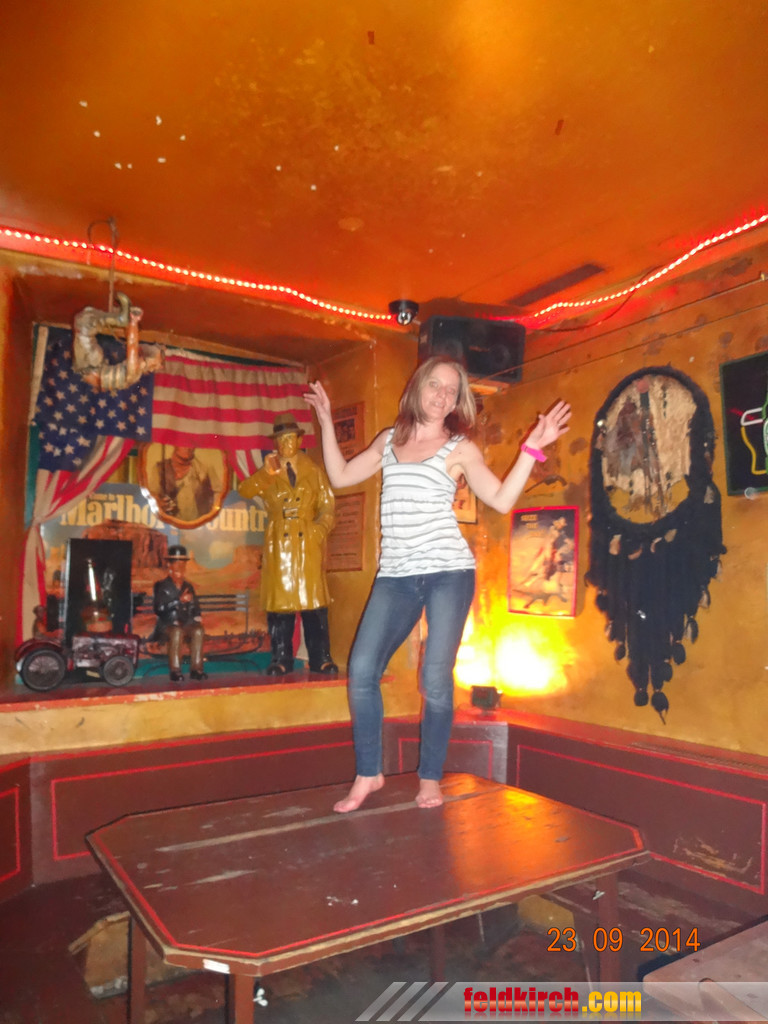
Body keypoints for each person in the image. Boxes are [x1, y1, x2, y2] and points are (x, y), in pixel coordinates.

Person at [304, 356, 571, 812]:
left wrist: (532, 447)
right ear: (418, 387)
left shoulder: (460, 448)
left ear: (457, 400)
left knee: (435, 678)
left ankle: (430, 776)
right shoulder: (389, 440)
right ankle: (369, 773)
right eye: (435, 385)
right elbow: (340, 476)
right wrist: (327, 421)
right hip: (395, 576)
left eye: (452, 390)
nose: (442, 395)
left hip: (449, 573)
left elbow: (501, 500)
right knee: (362, 671)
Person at [238, 412, 338, 675]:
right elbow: (245, 490)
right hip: (279, 543)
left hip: (307, 542)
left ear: (299, 440)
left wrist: (319, 530)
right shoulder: (268, 472)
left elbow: (327, 507)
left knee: (314, 604)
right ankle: (281, 659)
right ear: (275, 443)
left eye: (291, 438)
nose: (286, 443)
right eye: (281, 439)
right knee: (280, 607)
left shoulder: (313, 471)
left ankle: (321, 657)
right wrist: (265, 474)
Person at [151, 545, 207, 682]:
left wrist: (196, 615)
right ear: (169, 565)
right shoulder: (161, 586)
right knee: (176, 632)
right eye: (176, 563)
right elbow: (159, 609)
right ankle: (175, 671)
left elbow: (195, 606)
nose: (179, 567)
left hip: (185, 624)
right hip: (167, 625)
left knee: (198, 630)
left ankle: (196, 670)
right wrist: (178, 601)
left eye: (182, 563)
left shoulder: (188, 586)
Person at [148, 446, 223, 522]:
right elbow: (151, 495)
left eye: (191, 444)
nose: (189, 448)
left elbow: (219, 494)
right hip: (169, 524)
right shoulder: (159, 469)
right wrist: (157, 502)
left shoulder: (204, 469)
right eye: (184, 444)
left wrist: (211, 514)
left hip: (199, 524)